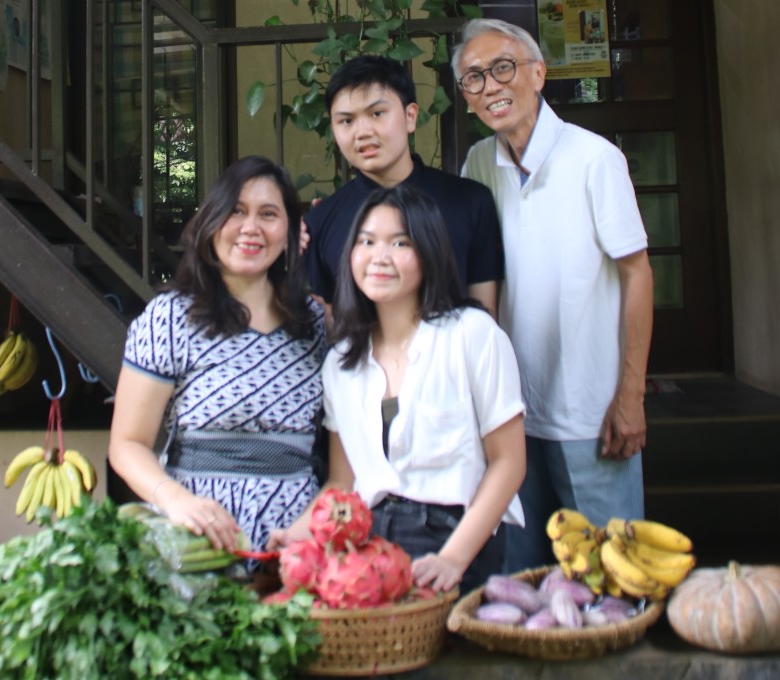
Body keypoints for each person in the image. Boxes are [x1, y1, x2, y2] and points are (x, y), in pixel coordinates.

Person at [452, 18, 655, 573]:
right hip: (511, 412)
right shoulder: (476, 165)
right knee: (522, 580)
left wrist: (631, 395)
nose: (491, 86)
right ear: (466, 98)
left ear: (538, 73)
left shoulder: (595, 160)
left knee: (611, 574)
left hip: (589, 411)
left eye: (503, 68)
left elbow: (637, 274)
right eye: (474, 78)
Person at [272, 184, 526, 594]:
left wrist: (453, 559)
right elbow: (342, 481)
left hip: (457, 535)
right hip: (370, 544)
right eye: (367, 241)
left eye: (399, 242)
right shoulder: (342, 361)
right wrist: (298, 533)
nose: (379, 257)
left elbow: (509, 463)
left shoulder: (472, 334)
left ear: (428, 253)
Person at [108, 155, 326, 566]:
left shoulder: (315, 324)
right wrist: (178, 502)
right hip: (194, 542)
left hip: (296, 546)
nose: (250, 228)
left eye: (268, 214)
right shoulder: (171, 318)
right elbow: (127, 444)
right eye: (236, 211)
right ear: (211, 224)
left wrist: (308, 528)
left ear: (292, 234)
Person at [305, 54, 503, 319]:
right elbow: (330, 327)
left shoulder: (469, 201)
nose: (362, 131)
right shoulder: (320, 221)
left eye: (377, 113)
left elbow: (484, 316)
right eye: (346, 121)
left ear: (410, 117)